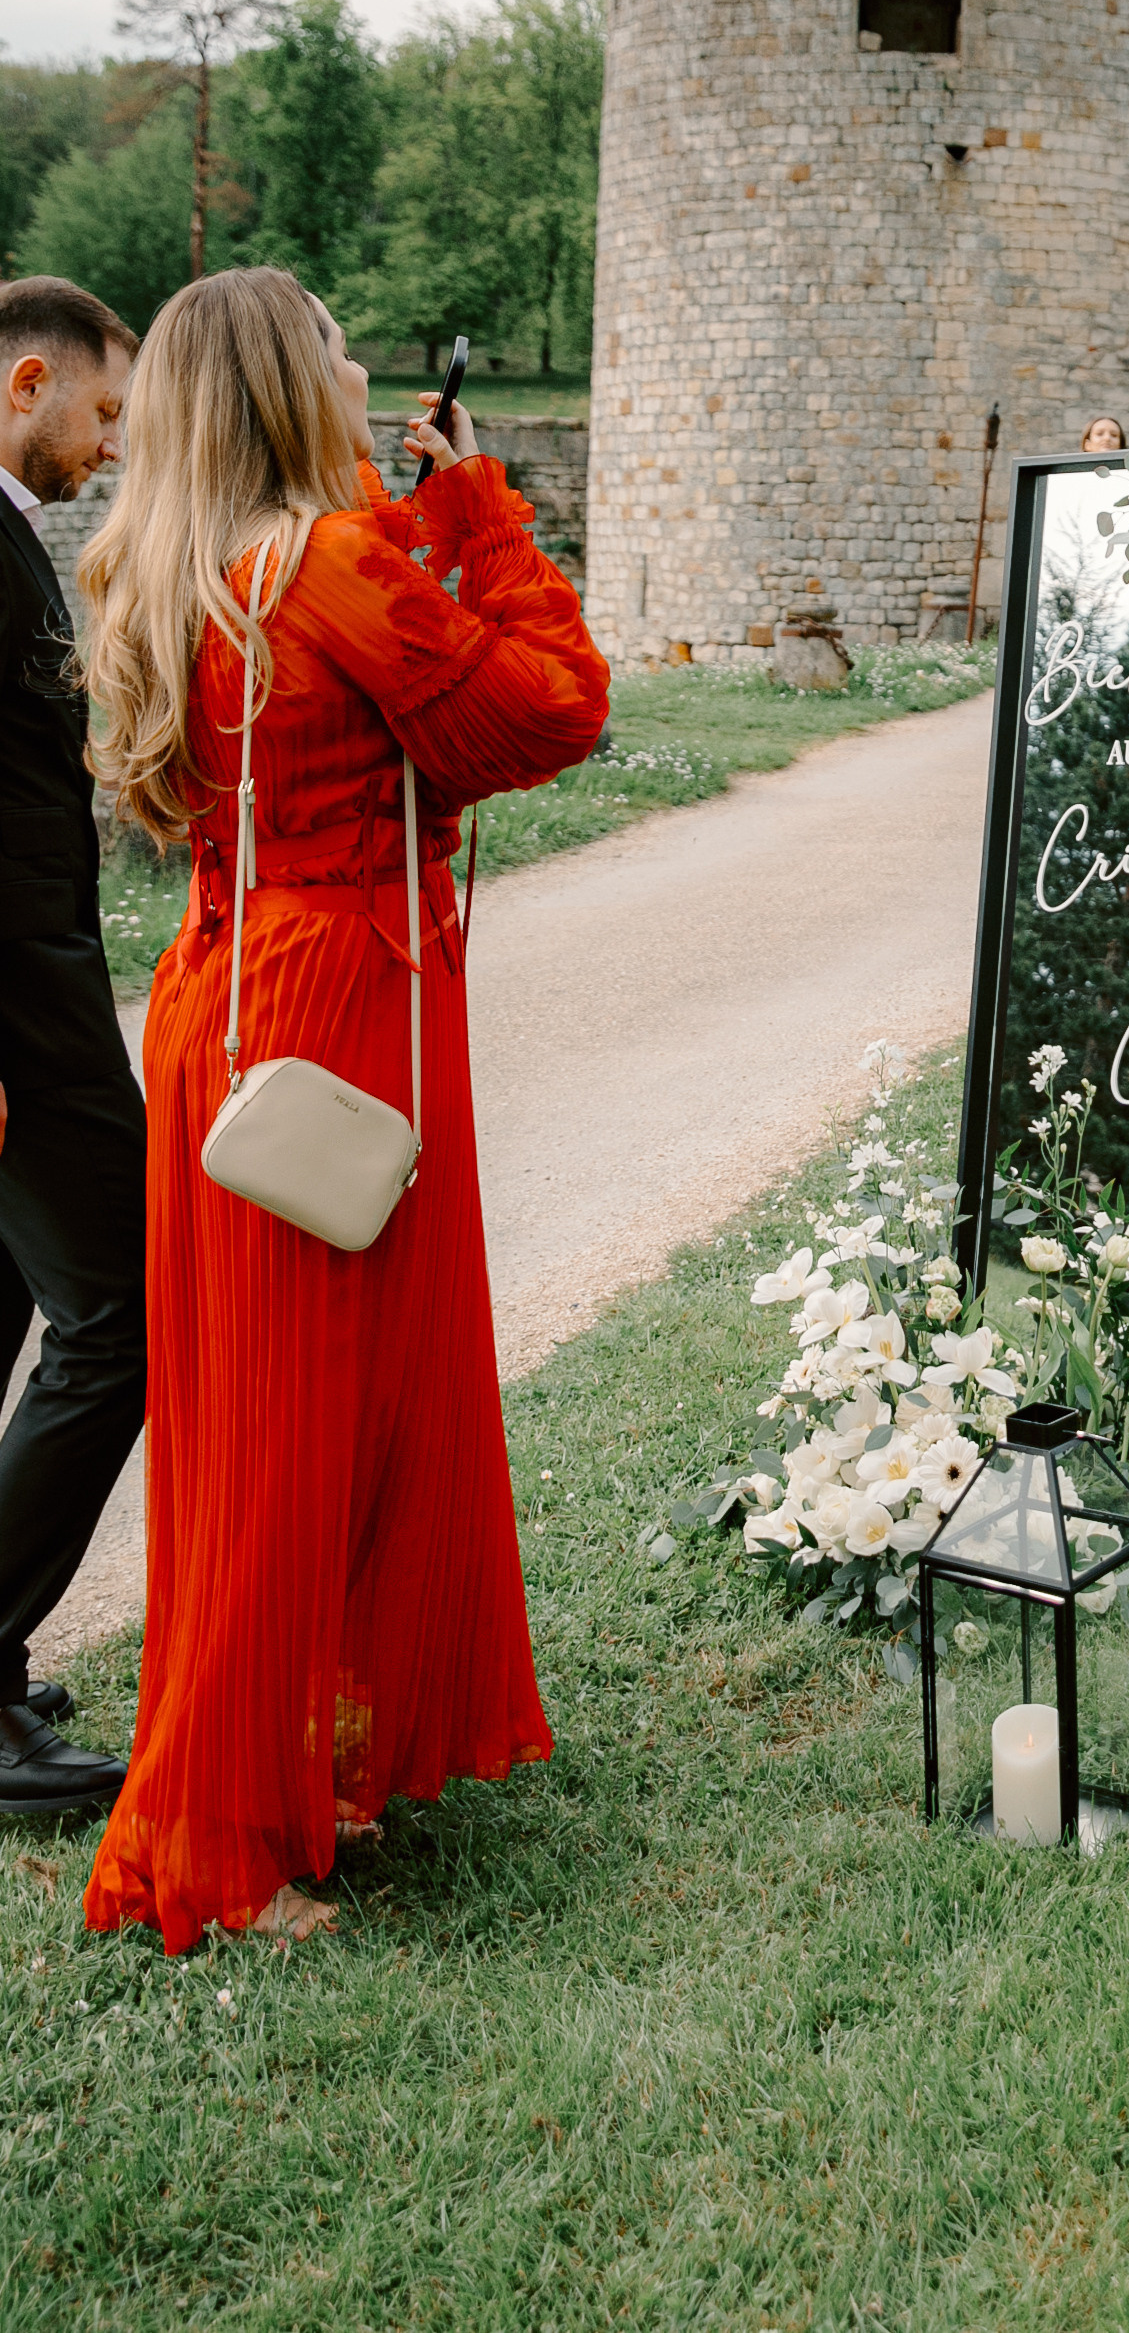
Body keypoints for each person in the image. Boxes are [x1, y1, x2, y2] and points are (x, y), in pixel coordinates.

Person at [77, 269, 609, 1950]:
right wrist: (473, 505)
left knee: (261, 1433)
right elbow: (549, 706)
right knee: (312, 1431)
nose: (359, 369)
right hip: (335, 1006)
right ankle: (227, 1843)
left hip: (225, 1004)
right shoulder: (335, 564)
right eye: (335, 353)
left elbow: (401, 744)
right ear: (289, 388)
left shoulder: (178, 564)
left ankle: (307, 1766)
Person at [0, 278, 148, 1817]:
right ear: (28, 379)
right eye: (100, 414)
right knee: (122, 1306)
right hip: (17, 1021)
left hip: (40, 995)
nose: (108, 445)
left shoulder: (13, 537)